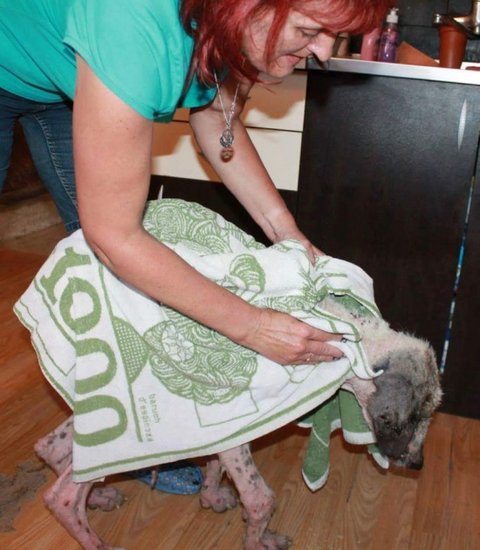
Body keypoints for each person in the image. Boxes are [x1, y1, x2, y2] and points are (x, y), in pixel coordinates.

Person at [0, 0, 389, 489]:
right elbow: (114, 237)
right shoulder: (132, 19)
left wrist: (290, 235)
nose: (325, 54)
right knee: (121, 251)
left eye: (338, 36)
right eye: (311, 30)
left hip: (66, 73)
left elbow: (217, 120)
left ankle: (132, 432)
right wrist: (254, 327)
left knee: (132, 284)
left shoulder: (230, 25)